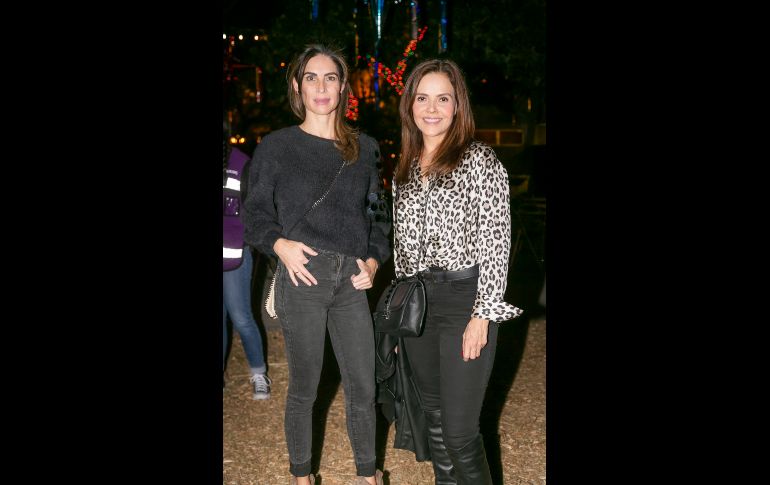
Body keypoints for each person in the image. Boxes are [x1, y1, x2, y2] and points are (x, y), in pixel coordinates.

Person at [242, 44, 389, 485]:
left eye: (330, 77)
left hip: (351, 281)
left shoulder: (365, 148)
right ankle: (301, 476)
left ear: (343, 87)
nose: (321, 87)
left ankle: (368, 475)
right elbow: (254, 214)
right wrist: (279, 245)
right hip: (302, 276)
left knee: (363, 385)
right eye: (311, 77)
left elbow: (379, 216)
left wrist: (373, 260)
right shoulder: (277, 146)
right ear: (297, 86)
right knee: (306, 387)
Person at [392, 59, 524, 485]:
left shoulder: (480, 160)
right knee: (433, 418)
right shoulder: (405, 166)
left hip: (464, 301)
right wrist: (400, 317)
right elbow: (401, 249)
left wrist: (483, 314)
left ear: (457, 105)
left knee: (460, 432)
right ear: (410, 105)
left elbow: (497, 242)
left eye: (442, 99)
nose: (432, 108)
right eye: (422, 98)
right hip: (418, 305)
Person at [223, 130, 271, 399]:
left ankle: (259, 373)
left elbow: (255, 211)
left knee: (241, 317)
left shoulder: (241, 163)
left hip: (236, 254)